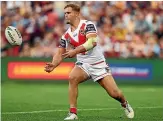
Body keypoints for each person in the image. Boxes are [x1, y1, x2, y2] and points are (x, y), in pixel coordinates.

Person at [44, 3, 134, 120]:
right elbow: (60, 53)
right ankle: (73, 113)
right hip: (83, 64)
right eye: (65, 13)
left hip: (98, 64)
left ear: (77, 14)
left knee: (114, 93)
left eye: (69, 13)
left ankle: (125, 103)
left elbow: (92, 42)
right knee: (72, 77)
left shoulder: (88, 25)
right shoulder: (66, 35)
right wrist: (54, 64)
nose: (66, 15)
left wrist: (75, 51)